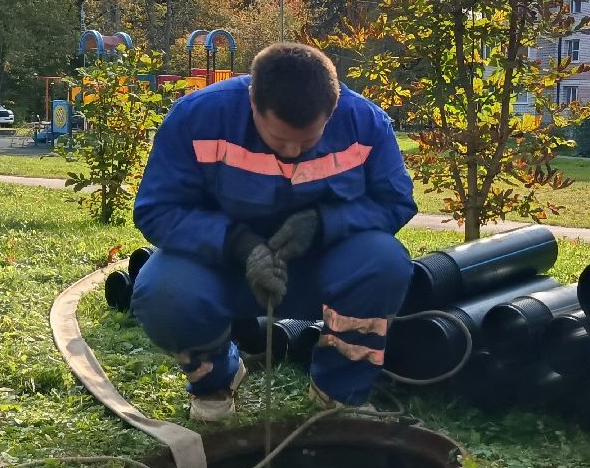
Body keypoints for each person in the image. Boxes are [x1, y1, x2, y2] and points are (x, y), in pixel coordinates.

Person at [130, 42, 416, 422]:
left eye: (309, 140)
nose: (294, 152)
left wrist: (322, 223)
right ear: (253, 101)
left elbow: (395, 201)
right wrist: (238, 244)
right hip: (222, 270)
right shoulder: (197, 118)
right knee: (164, 292)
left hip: (322, 267)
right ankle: (215, 378)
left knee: (385, 262)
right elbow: (157, 210)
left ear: (332, 109)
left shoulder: (365, 124)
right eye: (279, 140)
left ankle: (339, 390)